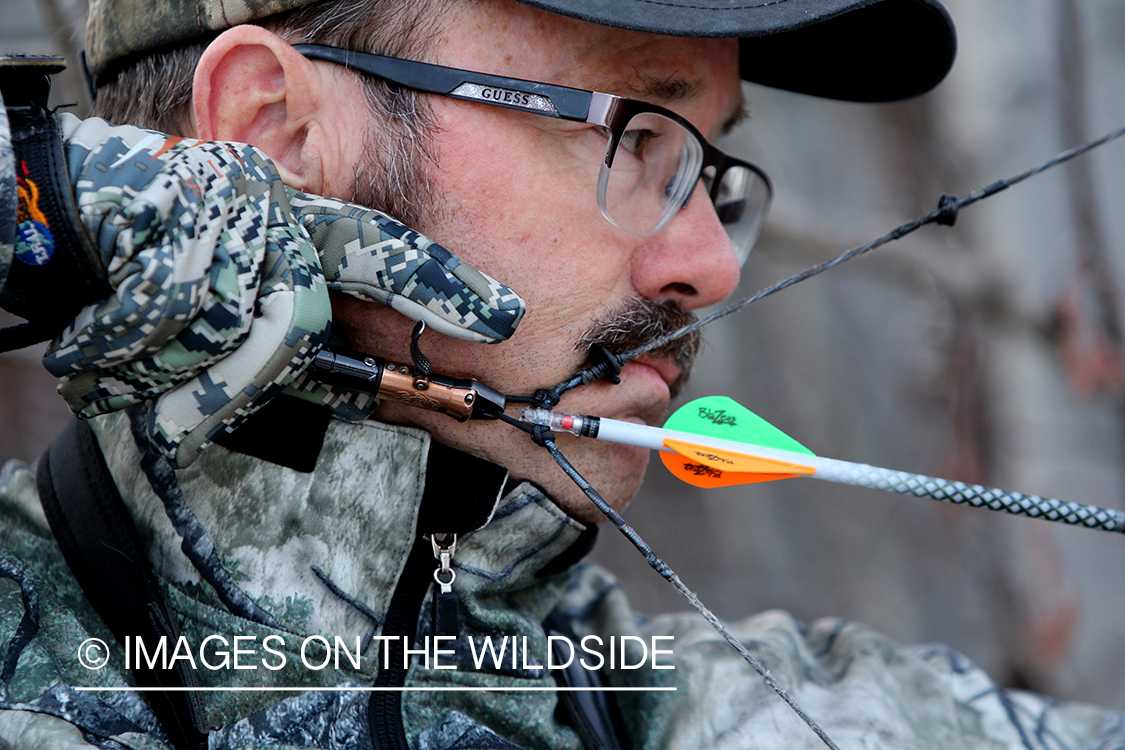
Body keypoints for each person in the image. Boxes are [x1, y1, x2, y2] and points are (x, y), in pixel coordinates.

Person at [0, 0, 1122, 748]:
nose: (710, 264)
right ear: (273, 131)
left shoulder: (705, 714)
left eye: (708, 165)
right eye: (633, 135)